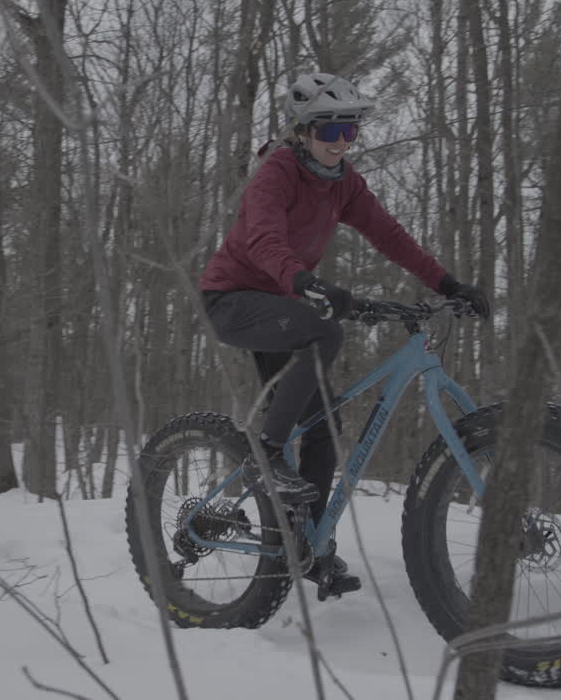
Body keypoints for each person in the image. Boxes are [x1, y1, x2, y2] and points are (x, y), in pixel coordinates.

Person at [199, 72, 489, 595]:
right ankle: (265, 454)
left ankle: (307, 547)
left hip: (285, 305)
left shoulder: (344, 183)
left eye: (350, 133)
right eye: (331, 133)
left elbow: (390, 236)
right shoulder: (277, 171)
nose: (341, 145)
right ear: (305, 131)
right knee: (324, 335)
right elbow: (263, 238)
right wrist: (303, 280)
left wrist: (449, 282)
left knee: (324, 426)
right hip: (236, 298)